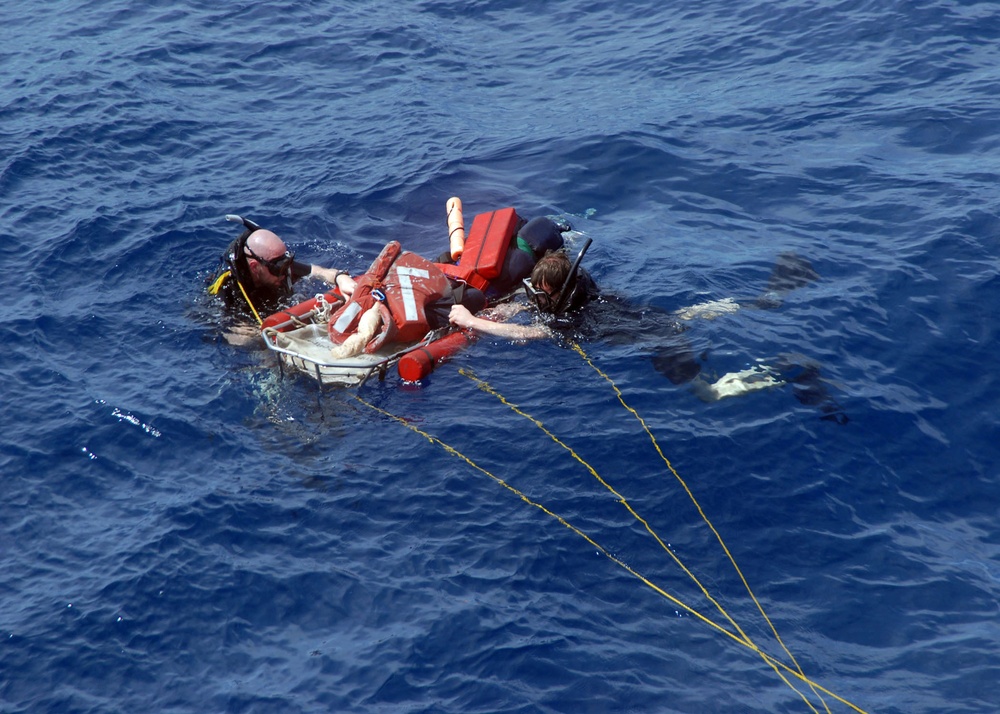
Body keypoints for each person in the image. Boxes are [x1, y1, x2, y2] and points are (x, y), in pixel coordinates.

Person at [450, 246, 847, 421]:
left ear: (554, 288)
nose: (534, 294)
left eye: (540, 289)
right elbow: (525, 303)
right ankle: (766, 299)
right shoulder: (583, 287)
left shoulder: (570, 321)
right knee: (685, 315)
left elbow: (528, 333)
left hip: (658, 341)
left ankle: (785, 370)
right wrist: (499, 305)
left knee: (710, 392)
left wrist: (472, 323)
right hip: (653, 317)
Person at [207, 216, 357, 324]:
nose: (285, 274)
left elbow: (320, 272)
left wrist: (341, 278)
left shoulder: (280, 268)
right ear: (255, 267)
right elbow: (227, 331)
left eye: (287, 264)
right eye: (278, 269)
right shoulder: (228, 288)